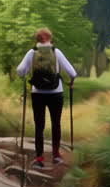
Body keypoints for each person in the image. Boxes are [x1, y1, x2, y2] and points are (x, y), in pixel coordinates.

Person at [15, 28, 77, 169]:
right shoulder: (56, 52)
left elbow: (20, 71)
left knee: (39, 126)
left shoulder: (32, 52)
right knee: (56, 123)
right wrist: (71, 81)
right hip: (56, 92)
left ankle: (39, 158)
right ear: (50, 38)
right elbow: (72, 72)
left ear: (36, 39)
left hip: (38, 93)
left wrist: (25, 74)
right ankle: (56, 156)